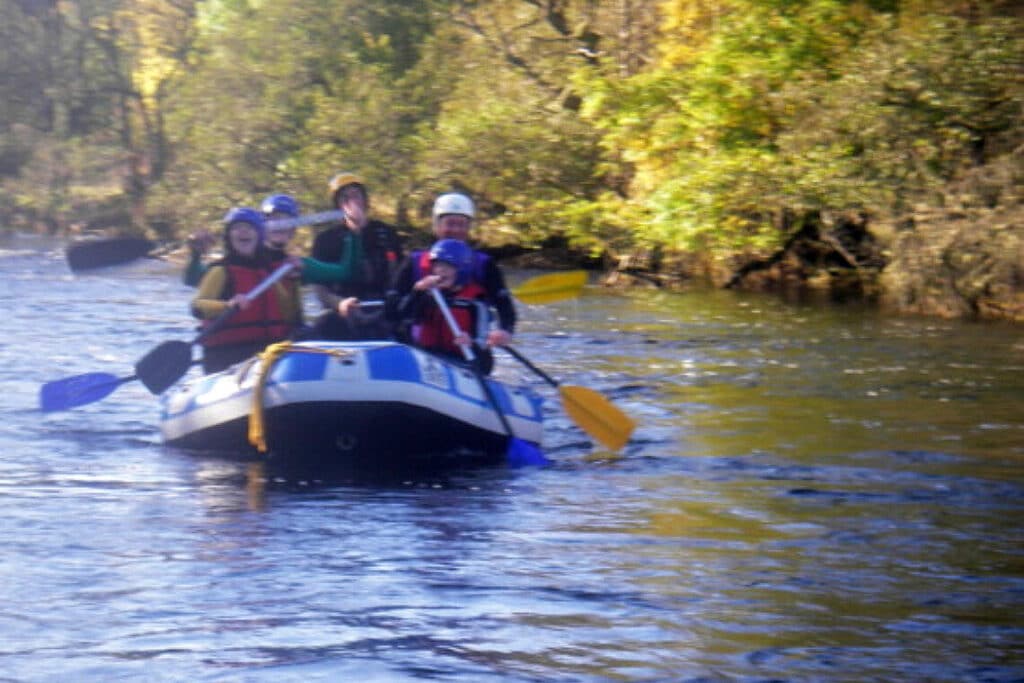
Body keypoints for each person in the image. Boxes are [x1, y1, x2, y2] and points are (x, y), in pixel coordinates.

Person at [389, 192, 515, 349]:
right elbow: (392, 310)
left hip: (467, 351)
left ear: (468, 227)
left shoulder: (484, 264)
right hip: (420, 351)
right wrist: (418, 291)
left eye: (461, 225)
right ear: (436, 226)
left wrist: (505, 331)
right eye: (449, 224)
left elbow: (504, 306)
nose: (455, 230)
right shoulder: (414, 261)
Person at [190, 207, 304, 374]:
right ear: (229, 237)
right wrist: (227, 305)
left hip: (266, 351)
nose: (243, 231)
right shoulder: (221, 270)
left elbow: (290, 316)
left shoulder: (267, 273)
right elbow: (197, 306)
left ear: (259, 236)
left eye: (249, 228)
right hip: (227, 355)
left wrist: (293, 281)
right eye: (237, 227)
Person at [308, 172, 404, 340]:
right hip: (344, 314)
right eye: (344, 198)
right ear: (338, 206)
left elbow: (401, 276)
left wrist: (393, 299)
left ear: (365, 200)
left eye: (355, 195)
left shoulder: (387, 233)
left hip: (383, 311)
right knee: (321, 327)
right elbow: (319, 289)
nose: (351, 202)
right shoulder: (325, 240)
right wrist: (339, 303)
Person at [392, 239, 497, 373]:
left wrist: (471, 342)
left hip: (464, 361)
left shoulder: (475, 301)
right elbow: (401, 316)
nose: (441, 270)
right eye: (437, 265)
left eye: (448, 265)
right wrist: (416, 292)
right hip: (431, 357)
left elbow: (483, 338)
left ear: (463, 269)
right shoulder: (427, 294)